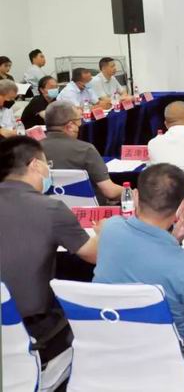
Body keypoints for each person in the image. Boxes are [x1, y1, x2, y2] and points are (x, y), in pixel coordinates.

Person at [0, 136, 98, 361]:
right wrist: (103, 233)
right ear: (35, 165)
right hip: (31, 330)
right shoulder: (50, 208)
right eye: (47, 164)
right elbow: (94, 255)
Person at [93, 163, 184, 340]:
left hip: (107, 339)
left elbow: (142, 253)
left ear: (135, 196)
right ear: (181, 207)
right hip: (163, 351)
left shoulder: (110, 228)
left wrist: (173, 239)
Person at [42, 101, 124, 203]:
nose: (79, 127)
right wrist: (130, 191)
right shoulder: (86, 149)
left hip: (48, 208)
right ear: (70, 126)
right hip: (89, 210)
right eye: (78, 121)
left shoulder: (33, 149)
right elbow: (110, 191)